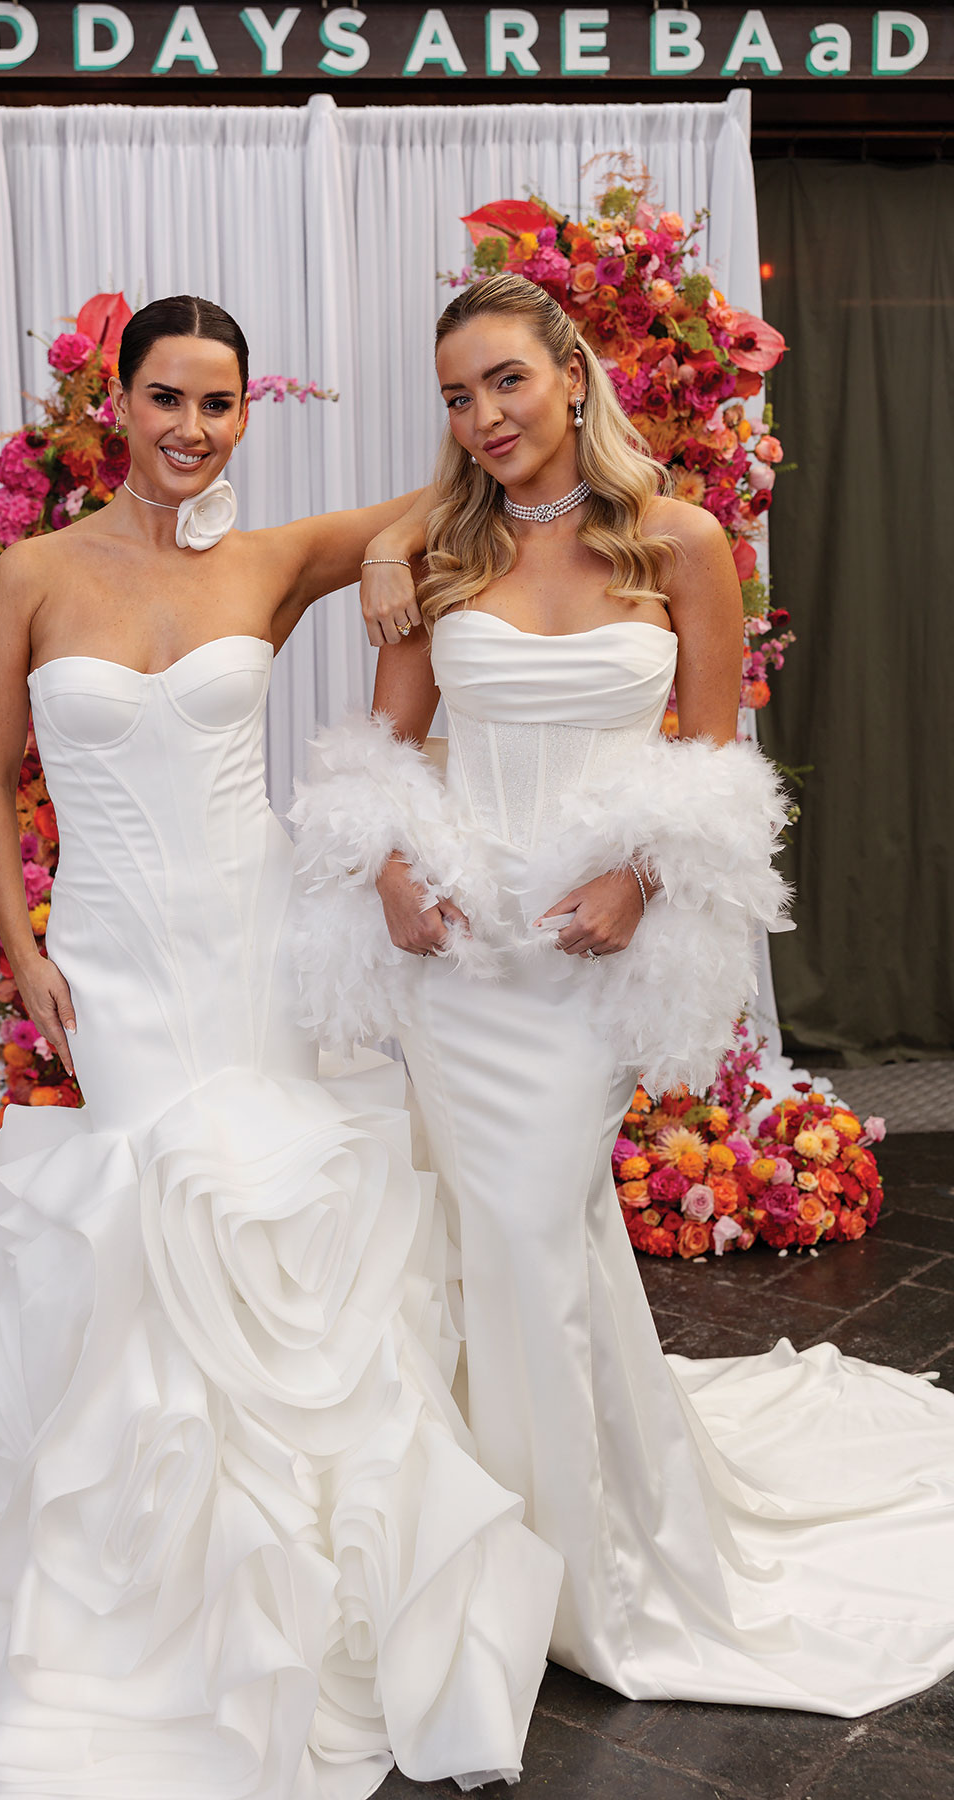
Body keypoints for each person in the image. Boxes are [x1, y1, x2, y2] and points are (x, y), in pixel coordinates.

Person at [0, 295, 561, 1799]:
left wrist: (383, 550)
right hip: (117, 960)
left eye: (222, 406)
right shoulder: (38, 573)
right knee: (154, 1197)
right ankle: (137, 1559)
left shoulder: (270, 557)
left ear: (249, 416)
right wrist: (25, 942)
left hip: (256, 934)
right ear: (113, 405)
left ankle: (302, 1563)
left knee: (269, 1199)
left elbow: (472, 494)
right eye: (169, 399)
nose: (194, 429)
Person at [292, 272, 954, 1715]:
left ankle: (583, 1567)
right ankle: (491, 1551)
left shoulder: (680, 540)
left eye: (506, 382)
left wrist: (640, 885)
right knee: (510, 1237)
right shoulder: (436, 550)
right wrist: (396, 870)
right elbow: (386, 753)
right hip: (458, 955)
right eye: (458, 395)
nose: (484, 417)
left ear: (572, 375)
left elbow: (713, 759)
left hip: (586, 949)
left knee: (532, 1224)